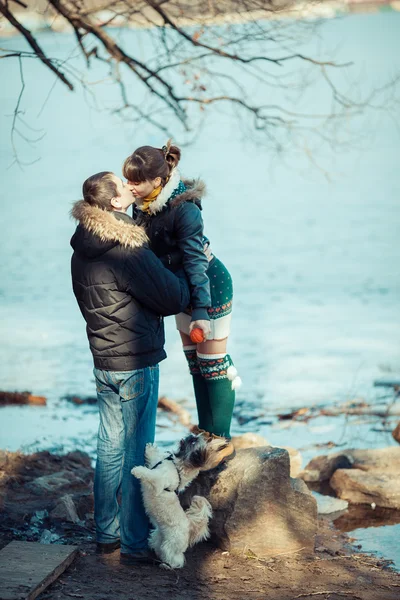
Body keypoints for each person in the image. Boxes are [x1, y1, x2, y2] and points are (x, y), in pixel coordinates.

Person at [70, 171, 190, 564]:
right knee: (137, 453)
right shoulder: (126, 247)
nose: (131, 189)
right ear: (117, 204)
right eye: (124, 188)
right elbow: (171, 298)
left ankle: (107, 535)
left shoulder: (80, 248)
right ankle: (136, 543)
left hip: (103, 361)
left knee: (108, 448)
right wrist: (186, 269)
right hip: (135, 361)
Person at [122, 142, 241, 467]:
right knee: (195, 364)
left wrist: (201, 311)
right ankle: (206, 433)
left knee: (213, 363)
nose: (129, 186)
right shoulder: (142, 205)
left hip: (208, 287)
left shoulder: (184, 208)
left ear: (157, 181)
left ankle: (222, 441)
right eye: (127, 180)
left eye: (136, 181)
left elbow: (194, 262)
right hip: (180, 291)